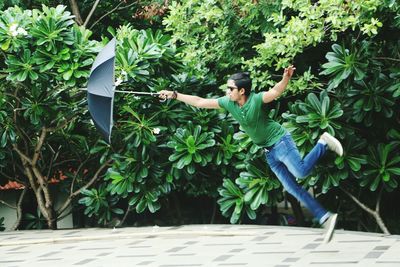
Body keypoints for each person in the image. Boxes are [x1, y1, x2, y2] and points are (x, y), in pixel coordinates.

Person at [158, 66, 342, 243]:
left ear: (242, 91)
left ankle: (323, 142)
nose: (227, 91)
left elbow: (275, 92)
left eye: (231, 88)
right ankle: (324, 216)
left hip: (280, 142)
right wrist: (174, 95)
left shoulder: (256, 100)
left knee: (301, 172)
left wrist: (286, 78)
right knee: (294, 189)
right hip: (269, 154)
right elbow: (200, 101)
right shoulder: (228, 103)